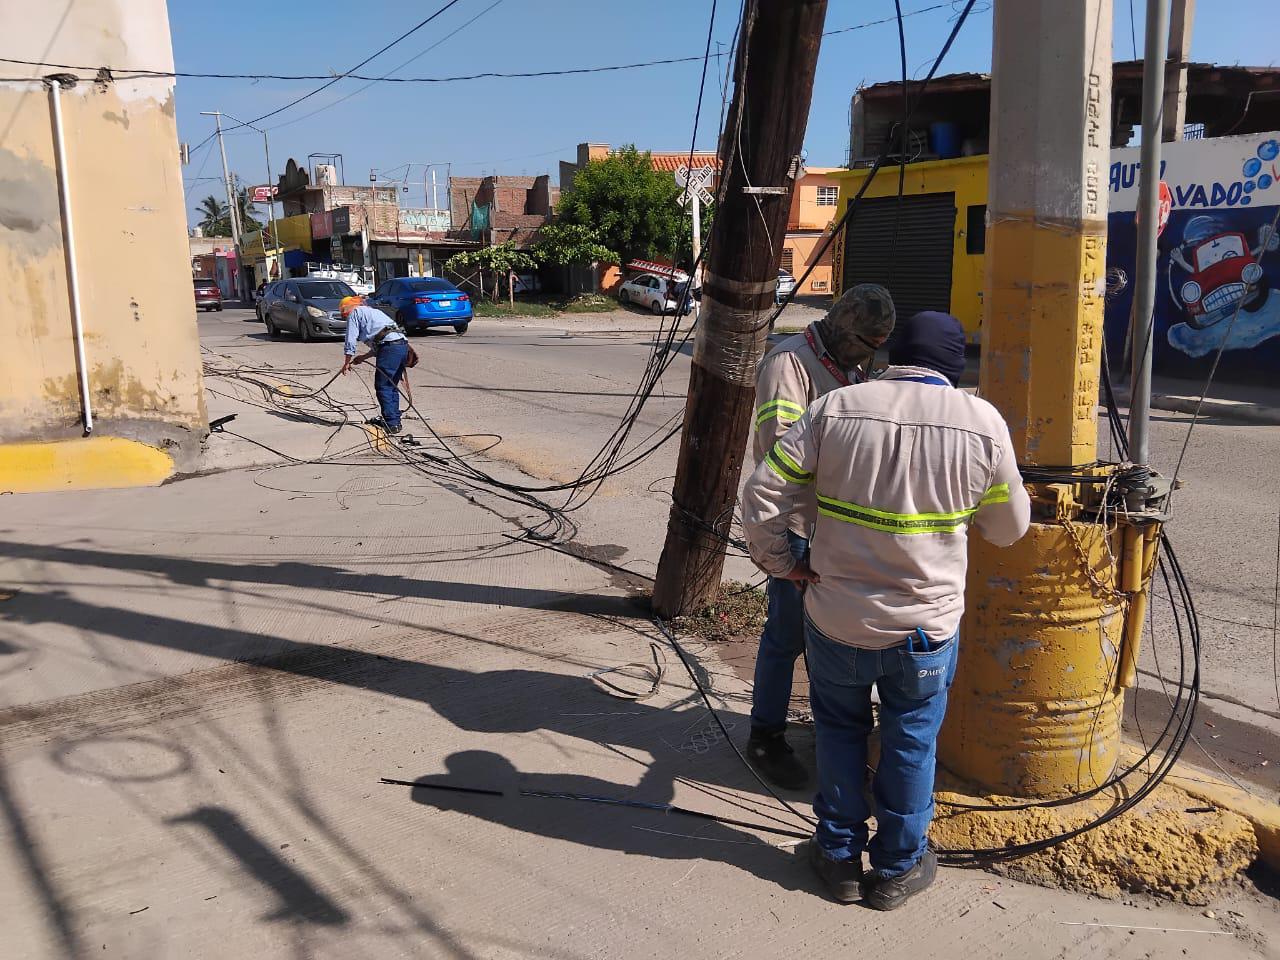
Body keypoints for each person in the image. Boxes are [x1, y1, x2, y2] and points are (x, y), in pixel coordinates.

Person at [741, 310, 1031, 910]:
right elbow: (1009, 529)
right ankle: (898, 868)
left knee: (839, 731)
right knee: (910, 741)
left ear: (893, 353)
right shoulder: (982, 423)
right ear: (954, 366)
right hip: (925, 629)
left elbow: (763, 491)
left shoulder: (836, 408)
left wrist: (781, 563)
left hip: (837, 620)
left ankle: (839, 859)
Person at [746, 283, 896, 790]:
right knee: (786, 635)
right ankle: (766, 735)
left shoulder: (850, 366)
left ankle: (833, 731)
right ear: (841, 329)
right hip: (798, 529)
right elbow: (780, 455)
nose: (869, 357)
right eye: (866, 345)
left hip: (836, 529)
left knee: (833, 638)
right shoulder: (789, 365)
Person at [339, 295, 410, 434]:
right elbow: (383, 339)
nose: (345, 316)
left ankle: (392, 423)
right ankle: (394, 420)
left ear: (346, 309)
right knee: (391, 385)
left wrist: (346, 362)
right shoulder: (373, 311)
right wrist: (363, 357)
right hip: (402, 346)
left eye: (344, 313)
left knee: (383, 386)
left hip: (390, 348)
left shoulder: (354, 313)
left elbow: (350, 339)